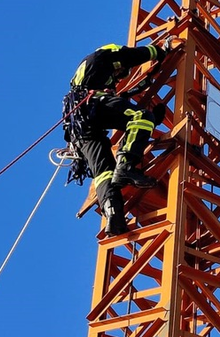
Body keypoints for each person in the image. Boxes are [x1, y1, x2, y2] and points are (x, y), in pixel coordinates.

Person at [62, 42, 168, 236]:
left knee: (103, 172)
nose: (119, 77)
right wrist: (156, 52)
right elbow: (127, 55)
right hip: (90, 107)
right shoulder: (102, 56)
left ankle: (113, 214)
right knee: (141, 117)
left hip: (80, 129)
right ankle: (126, 167)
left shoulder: (91, 74)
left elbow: (121, 103)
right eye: (120, 73)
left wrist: (155, 118)